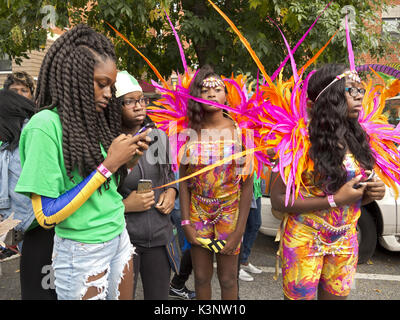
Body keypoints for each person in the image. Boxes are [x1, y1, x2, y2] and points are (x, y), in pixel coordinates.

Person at [14, 25, 151, 300]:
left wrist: (128, 160)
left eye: (111, 85)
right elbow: (47, 214)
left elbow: (103, 188)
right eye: (102, 84)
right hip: (82, 250)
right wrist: (108, 165)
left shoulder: (93, 121)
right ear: (74, 76)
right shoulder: (44, 127)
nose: (109, 93)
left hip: (118, 235)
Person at [270, 64, 386, 300]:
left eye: (359, 90)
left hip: (345, 238)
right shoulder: (299, 140)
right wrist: (334, 200)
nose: (358, 96)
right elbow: (278, 199)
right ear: (329, 98)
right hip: (305, 238)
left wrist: (372, 193)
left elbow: (353, 194)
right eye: (349, 90)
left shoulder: (359, 138)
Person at [179, 64, 253, 300]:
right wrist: (186, 223)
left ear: (226, 95)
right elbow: (183, 182)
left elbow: (247, 184)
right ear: (196, 96)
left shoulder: (241, 132)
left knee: (228, 279)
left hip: (230, 212)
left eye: (217, 89)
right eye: (204, 89)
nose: (211, 94)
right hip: (198, 211)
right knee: (200, 277)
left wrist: (239, 231)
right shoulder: (187, 132)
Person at [115, 70, 178, 300]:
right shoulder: (109, 143)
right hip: (123, 240)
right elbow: (98, 192)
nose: (139, 106)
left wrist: (172, 192)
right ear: (115, 106)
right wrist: (125, 205)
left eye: (141, 100)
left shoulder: (158, 137)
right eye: (129, 101)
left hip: (159, 238)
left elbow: (170, 176)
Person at [0, 89, 57, 299]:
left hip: (43, 231)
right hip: (41, 231)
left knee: (39, 290)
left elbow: (27, 202)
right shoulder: (16, 142)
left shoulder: (29, 139)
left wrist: (8, 226)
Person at [169, 171, 196, 300]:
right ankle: (177, 284)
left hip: (184, 203)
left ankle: (177, 283)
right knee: (190, 248)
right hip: (180, 204)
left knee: (189, 248)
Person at [238, 175, 264, 281]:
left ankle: (243, 260)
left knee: (255, 224)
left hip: (255, 185)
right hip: (242, 184)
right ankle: (235, 266)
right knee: (239, 226)